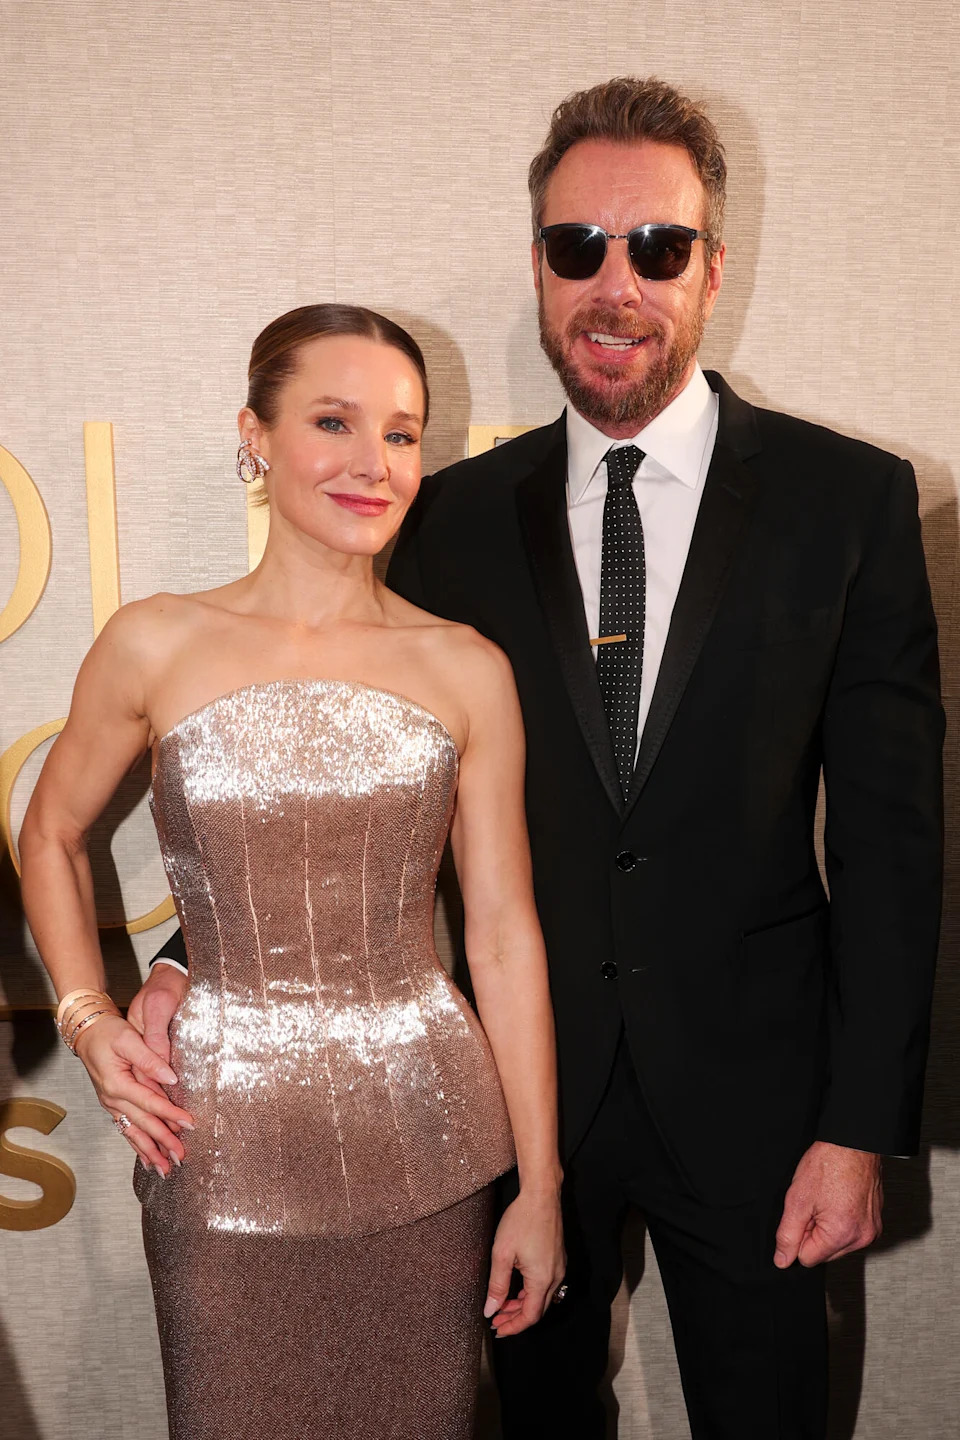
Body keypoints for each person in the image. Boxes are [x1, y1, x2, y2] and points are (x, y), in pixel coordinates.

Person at [140, 77, 944, 1439]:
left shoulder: (848, 503)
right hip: (501, 1114)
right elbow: (322, 753)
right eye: (578, 248)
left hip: (763, 1109)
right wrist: (182, 954)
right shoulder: (440, 517)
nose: (614, 284)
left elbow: (894, 840)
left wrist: (859, 1125)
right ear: (537, 265)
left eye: (658, 248)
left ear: (712, 269)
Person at [19, 303, 565, 1440]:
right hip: (215, 1148)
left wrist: (543, 1189)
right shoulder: (153, 641)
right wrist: (86, 1016)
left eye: (405, 434)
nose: (376, 463)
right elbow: (51, 835)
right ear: (254, 436)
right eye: (335, 420)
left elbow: (503, 938)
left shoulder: (465, 668)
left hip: (429, 1151)